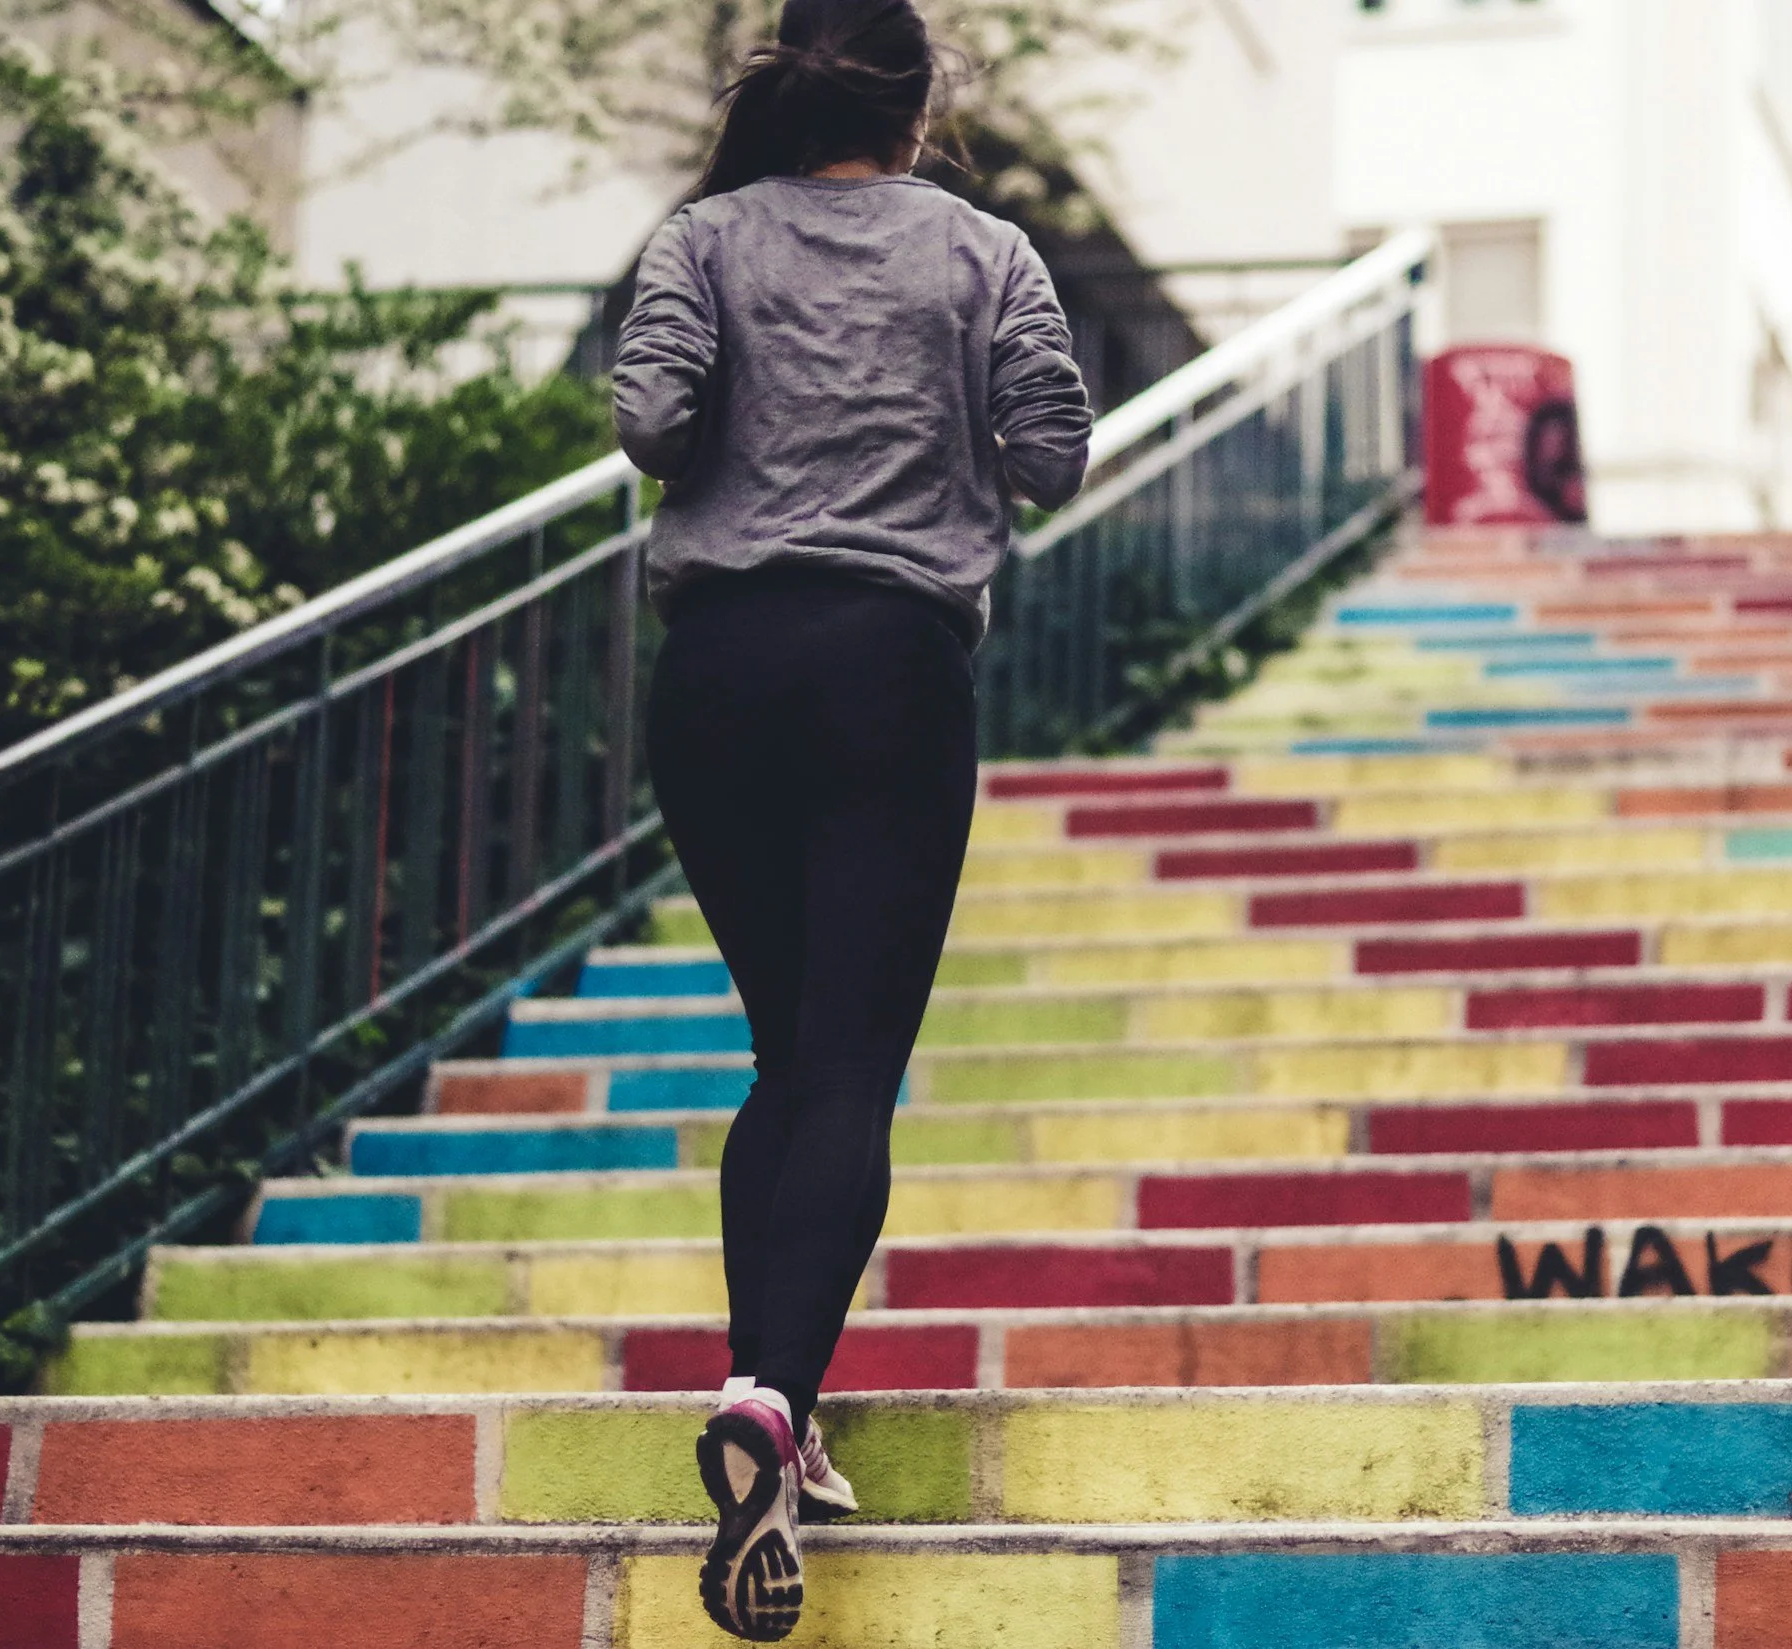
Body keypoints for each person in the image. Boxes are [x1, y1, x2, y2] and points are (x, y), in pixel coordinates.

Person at [611, 0, 1092, 1636]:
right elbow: (1052, 457)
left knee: (783, 1058)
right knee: (849, 1072)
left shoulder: (702, 238)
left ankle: (778, 1402)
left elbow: (650, 426)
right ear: (918, 102)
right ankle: (764, 1400)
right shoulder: (986, 254)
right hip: (888, 671)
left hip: (719, 673)